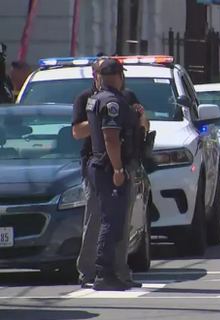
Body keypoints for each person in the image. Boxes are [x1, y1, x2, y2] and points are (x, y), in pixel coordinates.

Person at [73, 57, 146, 290]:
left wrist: (138, 116)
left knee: (119, 220)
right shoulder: (95, 100)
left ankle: (118, 270)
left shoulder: (125, 97)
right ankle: (92, 272)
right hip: (104, 164)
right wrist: (116, 168)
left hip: (119, 163)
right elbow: (95, 134)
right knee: (100, 218)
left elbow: (143, 123)